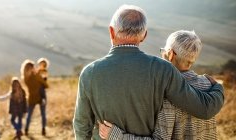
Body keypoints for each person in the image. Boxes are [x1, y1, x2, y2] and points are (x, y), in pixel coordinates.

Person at [73, 5, 224, 140]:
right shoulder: (163, 69)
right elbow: (203, 109)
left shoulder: (89, 73)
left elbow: (81, 126)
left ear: (111, 32)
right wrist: (217, 88)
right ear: (144, 35)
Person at [98, 30, 219, 140]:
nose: (162, 55)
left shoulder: (166, 92)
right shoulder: (208, 84)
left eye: (163, 51)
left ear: (170, 54)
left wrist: (117, 136)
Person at [21, 60, 49, 136]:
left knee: (29, 115)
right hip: (40, 96)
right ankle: (43, 130)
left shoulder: (25, 78)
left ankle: (26, 130)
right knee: (42, 114)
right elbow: (46, 85)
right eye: (33, 67)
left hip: (32, 97)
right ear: (30, 68)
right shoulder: (35, 76)